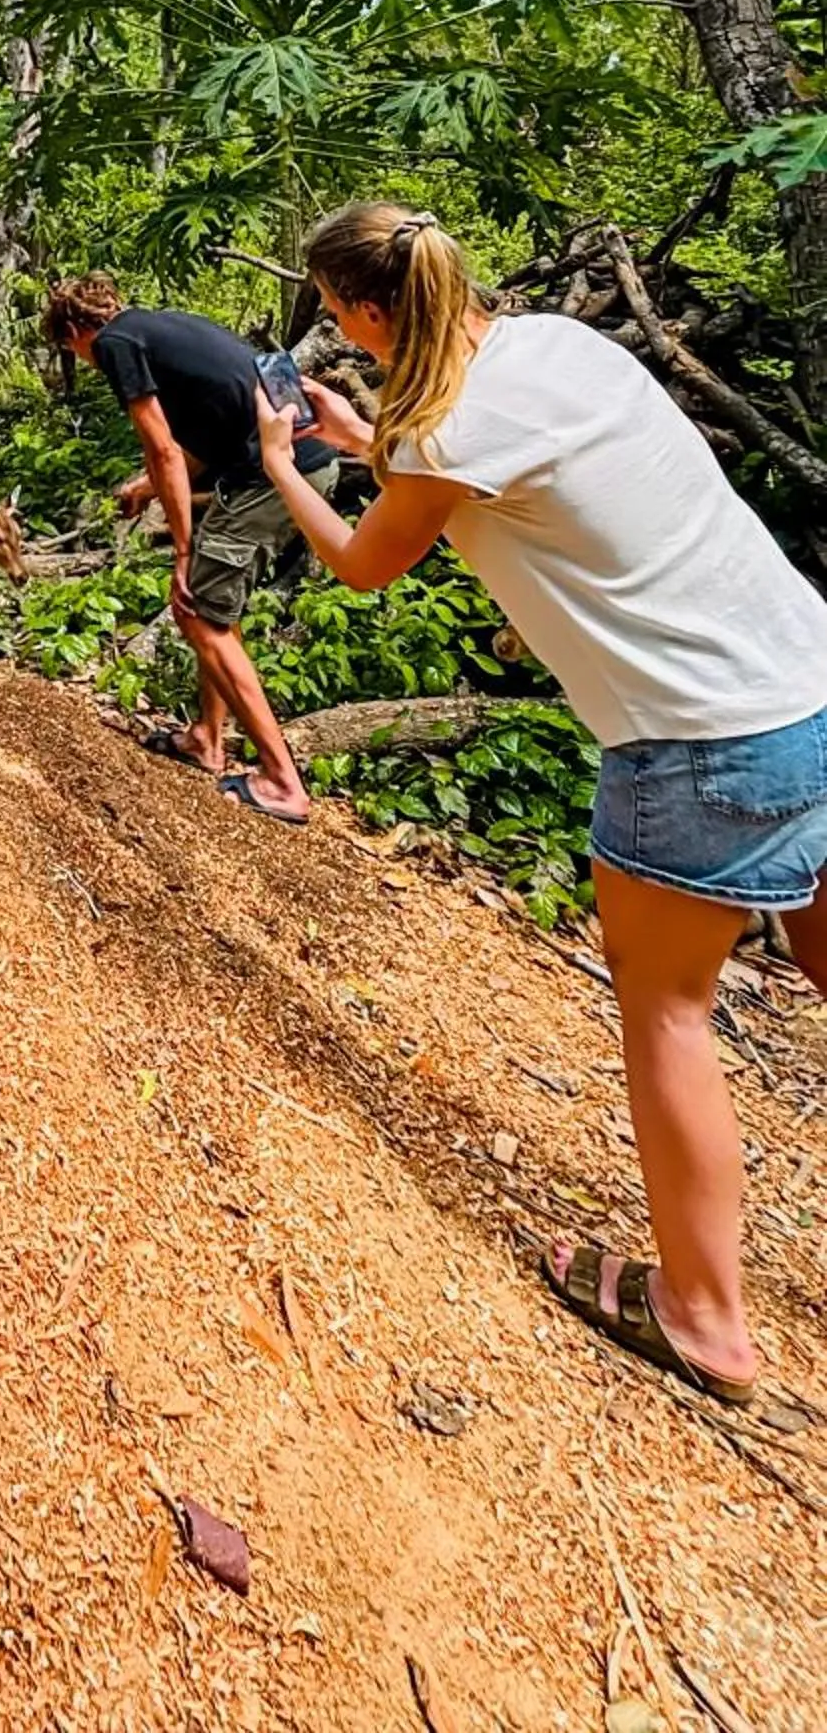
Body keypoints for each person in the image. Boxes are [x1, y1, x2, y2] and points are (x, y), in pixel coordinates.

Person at [253, 201, 827, 1408]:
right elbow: (486, 457)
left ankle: (708, 1318)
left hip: (697, 743)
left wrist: (281, 466)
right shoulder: (564, 349)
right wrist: (370, 446)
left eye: (342, 322)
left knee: (669, 1010)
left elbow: (365, 561)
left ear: (364, 313)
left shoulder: (447, 431)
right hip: (809, 684)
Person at [57, 273, 338, 824]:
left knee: (199, 613)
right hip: (296, 461)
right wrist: (144, 487)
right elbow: (206, 430)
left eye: (72, 351)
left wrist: (183, 551)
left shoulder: (116, 345)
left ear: (75, 331)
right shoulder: (160, 326)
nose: (83, 360)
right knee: (212, 609)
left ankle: (283, 781)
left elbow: (162, 447)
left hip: (274, 474)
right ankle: (208, 737)